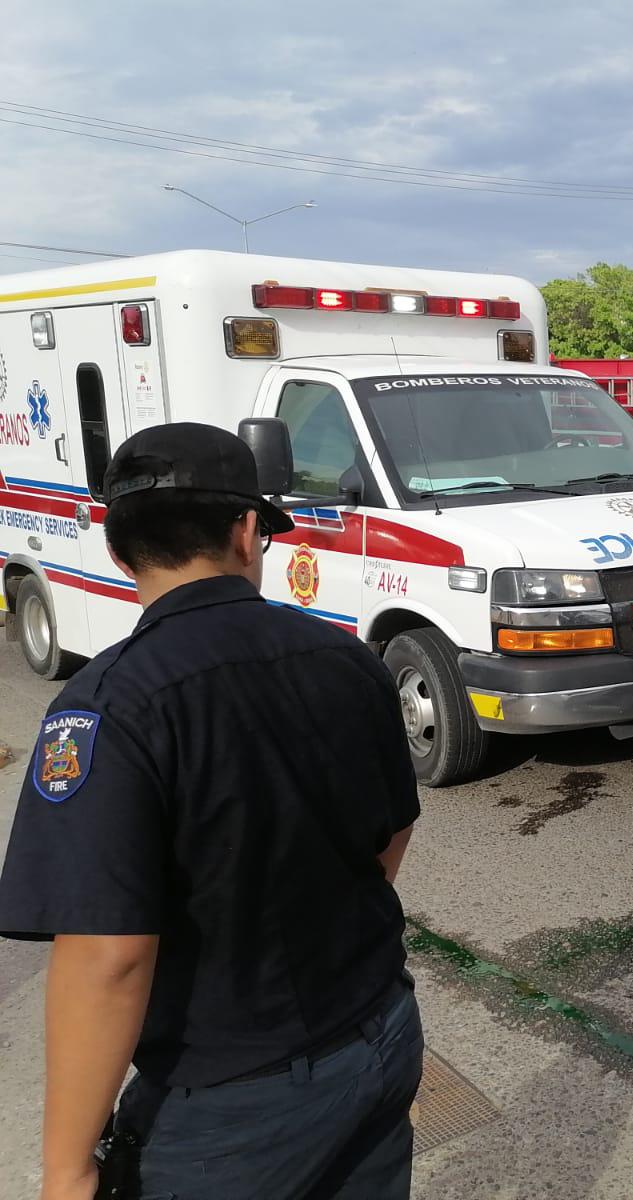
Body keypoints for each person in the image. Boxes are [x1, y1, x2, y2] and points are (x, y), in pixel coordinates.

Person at [0, 424, 423, 1200]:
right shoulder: (348, 658)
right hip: (382, 1029)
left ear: (116, 547)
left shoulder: (108, 704)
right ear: (247, 532)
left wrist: (65, 1169)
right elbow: (389, 838)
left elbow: (108, 956)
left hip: (231, 1098)